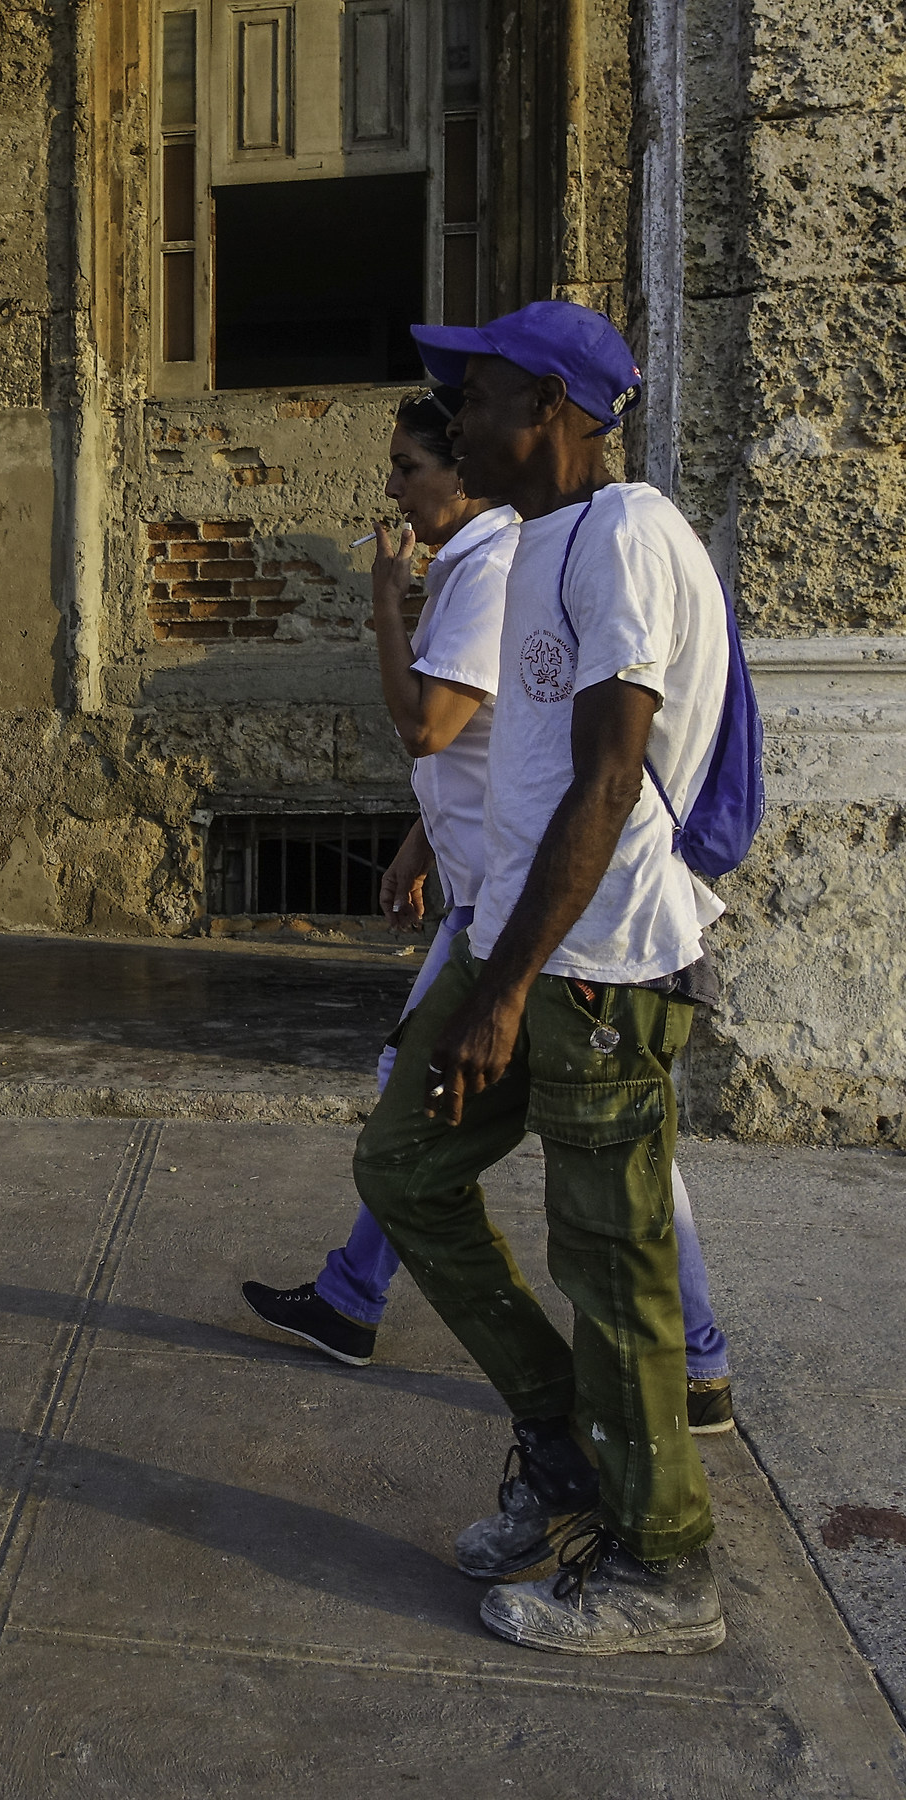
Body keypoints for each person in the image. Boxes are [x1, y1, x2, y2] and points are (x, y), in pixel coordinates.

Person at [353, 301, 735, 1656]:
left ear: (562, 413)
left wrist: (507, 986)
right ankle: (568, 1451)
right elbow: (515, 768)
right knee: (402, 1171)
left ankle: (665, 1566)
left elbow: (610, 776)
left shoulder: (623, 535)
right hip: (522, 947)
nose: (457, 418)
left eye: (484, 394)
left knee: (615, 1265)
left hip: (595, 971)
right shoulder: (539, 542)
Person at [241, 395, 733, 1438]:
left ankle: (665, 1387)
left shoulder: (559, 552)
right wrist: (425, 845)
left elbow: (457, 735)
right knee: (447, 1139)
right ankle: (361, 1299)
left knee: (606, 1175)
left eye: (412, 464)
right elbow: (511, 743)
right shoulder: (531, 554)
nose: (399, 488)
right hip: (502, 901)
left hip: (553, 926)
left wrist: (380, 600)